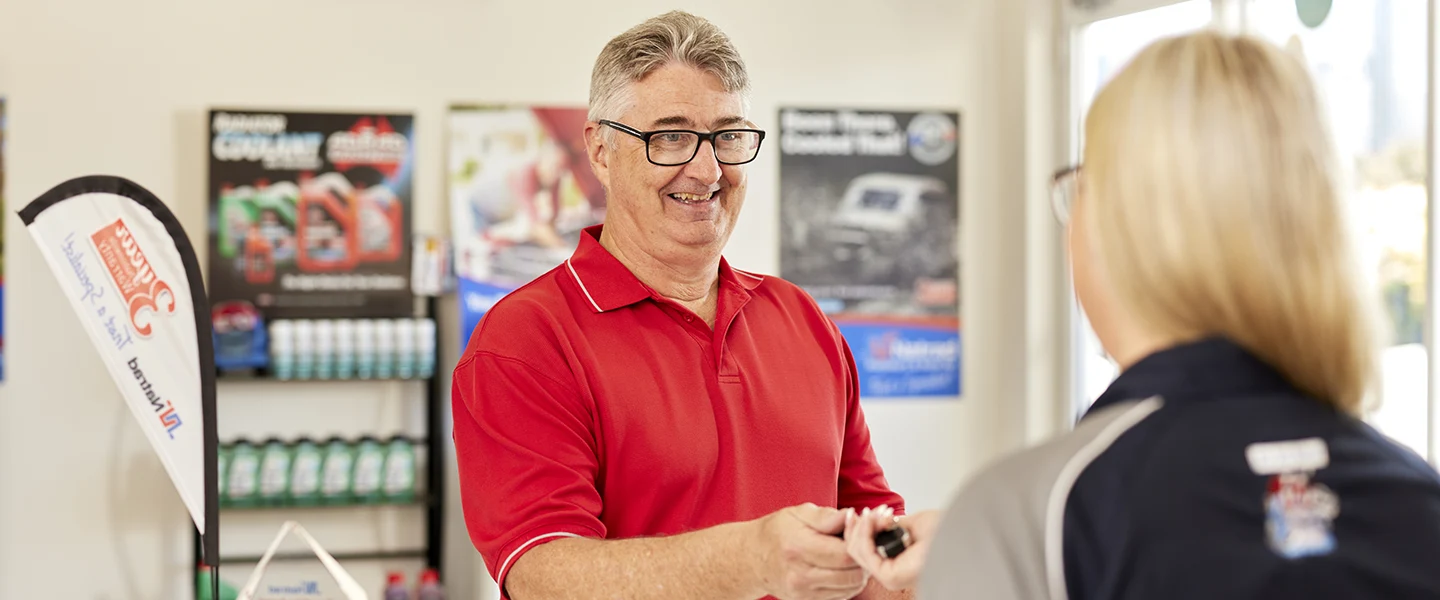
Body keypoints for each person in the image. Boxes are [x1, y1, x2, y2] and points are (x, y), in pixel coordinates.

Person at [843, 30, 1440, 599]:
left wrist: (998, 544)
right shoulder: (1416, 495)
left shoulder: (1034, 516)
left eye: (1082, 187)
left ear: (1129, 225)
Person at [451, 10, 908, 600]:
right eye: (670, 136)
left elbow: (871, 537)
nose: (708, 168)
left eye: (728, 135)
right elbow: (545, 576)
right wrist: (748, 561)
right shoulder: (523, 341)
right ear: (601, 151)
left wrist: (932, 554)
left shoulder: (800, 317)